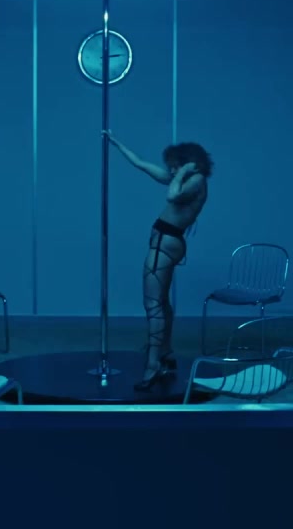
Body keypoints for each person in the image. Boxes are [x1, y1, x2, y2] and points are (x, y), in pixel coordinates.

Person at [103, 130, 212, 391]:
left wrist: (183, 172)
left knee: (152, 305)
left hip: (166, 244)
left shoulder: (195, 180)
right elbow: (142, 165)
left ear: (189, 162)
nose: (171, 171)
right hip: (165, 242)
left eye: (175, 165)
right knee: (161, 302)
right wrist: (117, 144)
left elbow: (171, 196)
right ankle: (165, 353)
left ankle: (153, 365)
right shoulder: (183, 179)